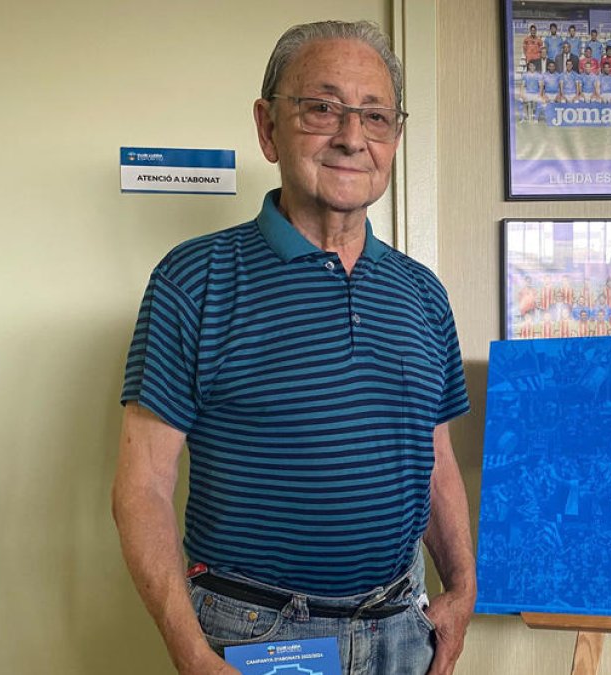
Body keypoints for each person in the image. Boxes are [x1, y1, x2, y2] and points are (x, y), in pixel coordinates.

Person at [112, 20, 475, 675]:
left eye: (376, 116)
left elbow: (437, 457)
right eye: (321, 108)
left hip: (401, 624)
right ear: (266, 126)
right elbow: (142, 486)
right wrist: (189, 649)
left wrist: (464, 589)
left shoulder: (423, 293)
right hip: (258, 634)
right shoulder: (194, 279)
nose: (351, 137)